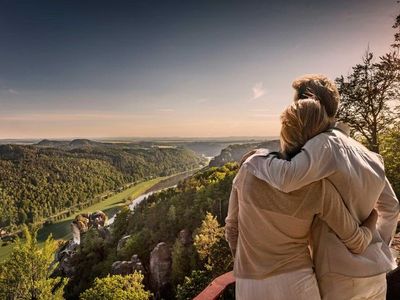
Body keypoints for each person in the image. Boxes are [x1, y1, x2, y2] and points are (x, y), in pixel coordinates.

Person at [242, 74, 399, 299]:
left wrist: (255, 158)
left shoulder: (323, 144)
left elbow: (287, 178)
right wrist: (376, 245)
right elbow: (391, 208)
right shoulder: (369, 155)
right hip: (376, 272)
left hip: (339, 275)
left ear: (308, 104)